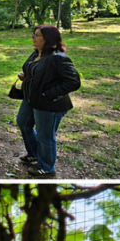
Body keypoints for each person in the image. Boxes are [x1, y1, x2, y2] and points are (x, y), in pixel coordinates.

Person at [15, 25, 81, 178]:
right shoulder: (37, 53)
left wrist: (49, 94)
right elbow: (39, 72)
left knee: (45, 136)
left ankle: (47, 168)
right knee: (23, 123)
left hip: (49, 104)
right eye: (33, 34)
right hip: (32, 99)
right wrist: (26, 76)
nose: (33, 37)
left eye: (37, 35)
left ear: (48, 39)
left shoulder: (58, 58)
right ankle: (34, 154)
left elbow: (73, 82)